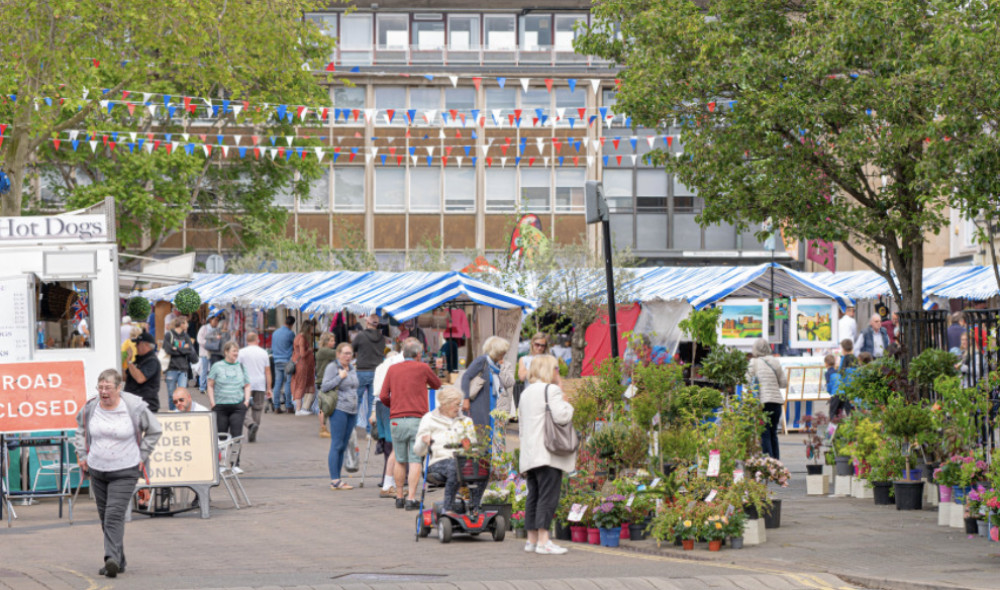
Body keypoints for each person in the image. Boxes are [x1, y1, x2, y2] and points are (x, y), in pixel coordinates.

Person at [74, 369, 162, 578]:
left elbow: (155, 430)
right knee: (105, 517)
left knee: (113, 514)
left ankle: (110, 559)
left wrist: (142, 454)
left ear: (119, 387)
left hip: (125, 469)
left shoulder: (133, 406)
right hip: (97, 469)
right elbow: (80, 429)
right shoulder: (91, 407)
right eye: (100, 387)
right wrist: (82, 454)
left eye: (108, 388)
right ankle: (119, 560)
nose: (103, 392)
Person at [517, 354, 575, 555]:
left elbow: (522, 425)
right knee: (548, 496)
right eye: (556, 368)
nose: (558, 372)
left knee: (533, 496)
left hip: (530, 453)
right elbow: (562, 415)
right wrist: (567, 402)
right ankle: (544, 541)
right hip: (548, 452)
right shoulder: (551, 390)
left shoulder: (526, 393)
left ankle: (531, 540)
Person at [379, 338, 442, 510]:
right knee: (415, 460)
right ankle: (411, 499)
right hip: (417, 419)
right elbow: (437, 384)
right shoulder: (423, 368)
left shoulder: (392, 369)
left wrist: (394, 405)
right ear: (418, 354)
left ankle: (399, 497)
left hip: (396, 420)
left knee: (400, 459)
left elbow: (383, 395)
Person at [413, 386, 478, 512]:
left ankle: (475, 507)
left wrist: (470, 447)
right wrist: (423, 441)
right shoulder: (429, 419)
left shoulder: (466, 421)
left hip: (462, 461)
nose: (459, 408)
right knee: (454, 467)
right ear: (445, 404)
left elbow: (473, 448)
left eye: (460, 404)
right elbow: (418, 451)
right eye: (456, 405)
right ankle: (448, 509)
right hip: (437, 462)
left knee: (483, 468)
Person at [320, 342, 359, 490]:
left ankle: (338, 478)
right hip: (339, 409)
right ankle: (334, 479)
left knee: (343, 444)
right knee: (336, 444)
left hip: (352, 411)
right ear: (338, 354)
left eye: (350, 354)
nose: (348, 356)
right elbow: (324, 386)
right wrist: (339, 377)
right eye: (345, 353)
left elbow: (355, 387)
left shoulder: (352, 368)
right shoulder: (333, 367)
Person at [461, 336, 515, 431]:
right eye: (502, 352)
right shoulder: (482, 361)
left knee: (497, 435)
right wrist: (466, 398)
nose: (504, 353)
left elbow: (510, 383)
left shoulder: (501, 364)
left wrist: (502, 368)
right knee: (484, 433)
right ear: (496, 351)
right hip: (482, 403)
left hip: (497, 404)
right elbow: (466, 377)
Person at [371, 351, 406, 498]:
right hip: (388, 405)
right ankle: (389, 482)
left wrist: (373, 411)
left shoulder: (381, 367)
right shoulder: (395, 364)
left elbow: (377, 392)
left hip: (381, 405)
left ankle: (388, 481)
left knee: (389, 445)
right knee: (394, 446)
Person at [746, 338, 787, 460]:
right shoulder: (775, 361)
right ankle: (776, 463)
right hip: (776, 402)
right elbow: (784, 383)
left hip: (762, 403)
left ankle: (768, 463)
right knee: (773, 433)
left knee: (765, 434)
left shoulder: (754, 362)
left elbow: (746, 381)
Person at [207, 341, 251, 439]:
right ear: (226, 352)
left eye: (237, 351)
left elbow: (247, 385)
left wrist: (246, 401)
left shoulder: (241, 367)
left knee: (236, 437)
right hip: (220, 407)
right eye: (234, 351)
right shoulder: (217, 366)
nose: (236, 353)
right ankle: (223, 450)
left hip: (237, 407)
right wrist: (213, 403)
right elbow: (210, 385)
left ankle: (235, 449)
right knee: (221, 437)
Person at [353, 314, 386, 432]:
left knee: (356, 400)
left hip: (362, 371)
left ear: (367, 323)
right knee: (372, 403)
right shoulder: (382, 338)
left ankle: (351, 429)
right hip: (376, 372)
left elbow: (352, 348)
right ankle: (369, 431)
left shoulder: (360, 335)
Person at [238, 331, 272, 443]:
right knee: (257, 408)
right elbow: (268, 372)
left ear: (247, 340)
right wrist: (269, 388)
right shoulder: (264, 353)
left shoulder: (241, 352)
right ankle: (253, 430)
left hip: (245, 383)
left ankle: (250, 424)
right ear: (257, 340)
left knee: (241, 407)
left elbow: (236, 368)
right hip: (259, 384)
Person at [163, 317, 199, 412]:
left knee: (182, 394)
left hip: (183, 369)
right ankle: (172, 412)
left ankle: (180, 413)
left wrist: (176, 348)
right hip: (171, 369)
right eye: (186, 323)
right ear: (181, 324)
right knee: (171, 395)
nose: (188, 325)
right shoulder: (169, 335)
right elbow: (168, 349)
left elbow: (189, 350)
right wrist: (183, 348)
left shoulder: (186, 336)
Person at [124, 331, 162, 413]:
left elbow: (140, 378)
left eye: (137, 344)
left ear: (146, 345)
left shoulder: (152, 361)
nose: (135, 346)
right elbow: (126, 377)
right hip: (134, 404)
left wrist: (129, 362)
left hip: (146, 406)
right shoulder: (139, 359)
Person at [314, 333, 338, 438]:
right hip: (323, 380)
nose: (334, 342)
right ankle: (322, 428)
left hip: (323, 380)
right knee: (324, 406)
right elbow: (338, 353)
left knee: (324, 405)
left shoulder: (322, 351)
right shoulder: (325, 351)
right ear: (326, 341)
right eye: (332, 341)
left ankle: (323, 427)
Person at [271, 316, 297, 413]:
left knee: (277, 383)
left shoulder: (275, 333)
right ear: (292, 324)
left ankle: (276, 406)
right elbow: (295, 346)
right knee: (287, 383)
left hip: (277, 360)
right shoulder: (290, 334)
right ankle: (288, 406)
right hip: (287, 361)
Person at [291, 319, 317, 415]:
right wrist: (309, 350)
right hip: (301, 364)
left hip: (299, 363)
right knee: (300, 385)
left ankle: (299, 408)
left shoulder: (298, 336)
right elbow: (302, 354)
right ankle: (298, 409)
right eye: (311, 328)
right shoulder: (302, 338)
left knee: (300, 384)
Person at [828, 339, 858, 418]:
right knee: (853, 409)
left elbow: (841, 373)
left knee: (845, 410)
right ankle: (855, 422)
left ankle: (850, 422)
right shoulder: (855, 358)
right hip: (854, 387)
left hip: (846, 388)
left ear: (844, 349)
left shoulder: (845, 359)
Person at [196, 314, 214, 393]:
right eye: (215, 320)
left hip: (213, 352)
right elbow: (199, 339)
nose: (216, 321)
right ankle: (202, 387)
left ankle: (211, 386)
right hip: (205, 352)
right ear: (210, 320)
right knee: (204, 369)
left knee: (213, 370)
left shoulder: (216, 329)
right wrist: (208, 343)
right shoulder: (204, 328)